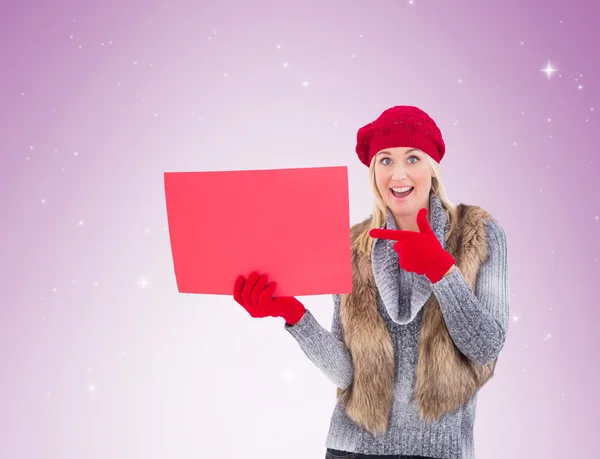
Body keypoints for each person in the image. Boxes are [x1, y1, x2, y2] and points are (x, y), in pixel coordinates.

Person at [232, 105, 510, 459]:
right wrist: (294, 315)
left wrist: (441, 269)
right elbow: (347, 374)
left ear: (432, 168)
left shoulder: (480, 235)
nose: (398, 174)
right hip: (353, 449)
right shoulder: (354, 247)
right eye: (385, 160)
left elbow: (486, 348)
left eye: (412, 158)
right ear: (373, 171)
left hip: (437, 451)